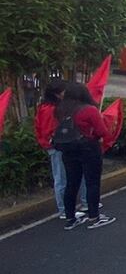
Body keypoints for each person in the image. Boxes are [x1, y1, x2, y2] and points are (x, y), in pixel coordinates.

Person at [55, 83, 116, 230]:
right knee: (92, 182)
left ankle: (70, 218)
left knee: (71, 183)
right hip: (89, 148)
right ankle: (94, 216)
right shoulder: (89, 110)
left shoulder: (60, 110)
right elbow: (102, 131)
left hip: (68, 149)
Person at [35, 80, 89, 220]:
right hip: (57, 146)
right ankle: (64, 210)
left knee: (68, 176)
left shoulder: (52, 107)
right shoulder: (50, 109)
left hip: (61, 145)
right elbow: (48, 130)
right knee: (61, 178)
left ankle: (69, 208)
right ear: (57, 94)